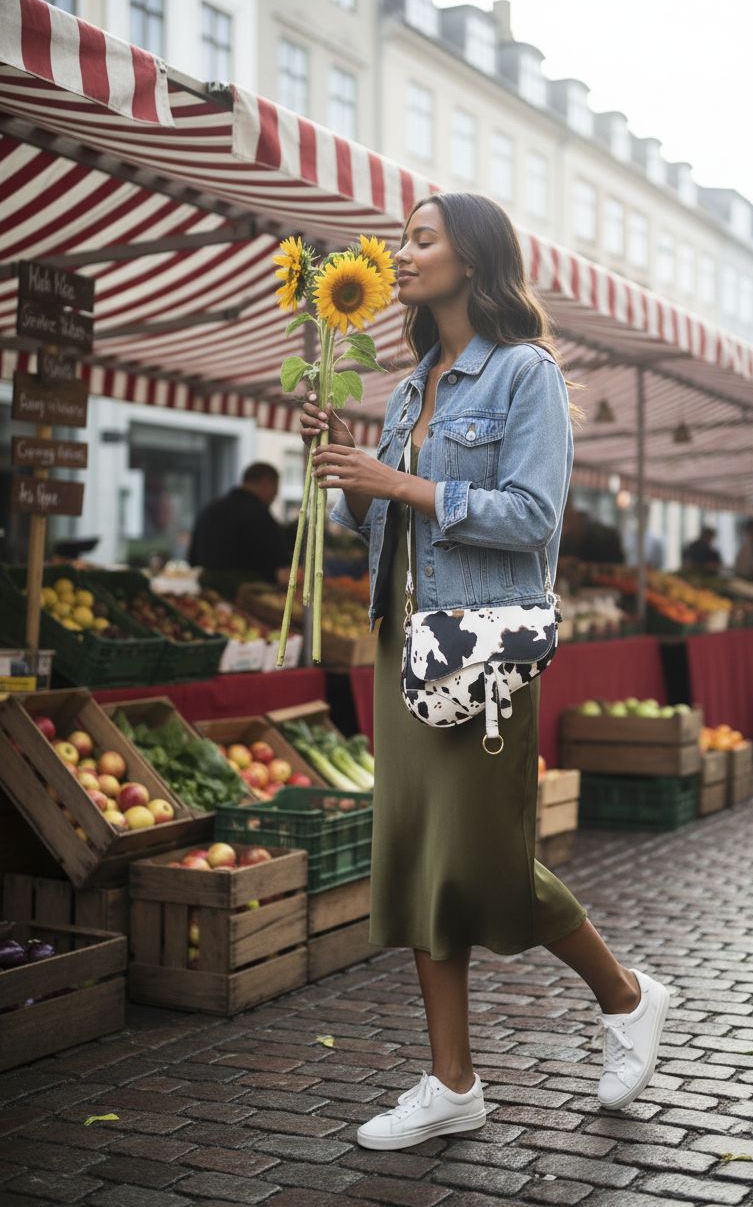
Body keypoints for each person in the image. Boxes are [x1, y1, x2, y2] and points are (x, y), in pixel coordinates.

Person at [300, 192, 670, 1152]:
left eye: (421, 239)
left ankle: (626, 996)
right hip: (401, 641)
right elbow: (383, 527)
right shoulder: (410, 387)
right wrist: (348, 476)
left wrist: (404, 481)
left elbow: (533, 517)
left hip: (479, 649)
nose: (402, 253)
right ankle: (452, 1081)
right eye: (403, 239)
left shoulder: (524, 373)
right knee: (420, 855)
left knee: (485, 858)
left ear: (473, 257)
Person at [188, 461, 291, 584]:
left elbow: (193, 559)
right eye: (275, 491)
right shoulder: (260, 516)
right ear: (265, 483)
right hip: (248, 591)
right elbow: (280, 563)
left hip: (206, 590)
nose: (274, 497)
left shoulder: (209, 510)